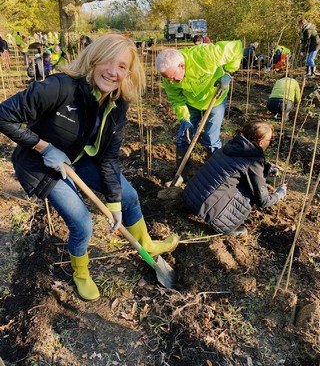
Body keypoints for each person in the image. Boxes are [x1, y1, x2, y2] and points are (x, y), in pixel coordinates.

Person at [0, 33, 179, 301]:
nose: (112, 71)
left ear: (129, 73)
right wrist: (44, 147)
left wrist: (115, 204)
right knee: (82, 223)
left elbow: (108, 157)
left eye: (122, 66)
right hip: (41, 163)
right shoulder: (60, 88)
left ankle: (146, 244)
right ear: (93, 60)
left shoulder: (118, 104)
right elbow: (4, 115)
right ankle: (81, 273)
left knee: (128, 196)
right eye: (107, 61)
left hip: (80, 157)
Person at [183, 120, 287, 238]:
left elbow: (240, 168)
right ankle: (223, 225)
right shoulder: (253, 159)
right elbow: (263, 201)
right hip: (205, 209)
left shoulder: (232, 145)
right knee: (250, 189)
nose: (271, 142)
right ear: (261, 142)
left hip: (190, 197)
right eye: (271, 140)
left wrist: (266, 168)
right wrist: (279, 194)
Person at [155, 41, 243, 170]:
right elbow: (176, 99)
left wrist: (229, 72)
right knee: (184, 136)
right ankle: (182, 172)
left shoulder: (204, 56)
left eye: (173, 78)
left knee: (211, 138)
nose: (170, 82)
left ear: (181, 65)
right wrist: (184, 119)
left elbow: (236, 47)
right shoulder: (168, 77)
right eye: (167, 79)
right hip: (191, 102)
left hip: (215, 98)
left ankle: (215, 170)